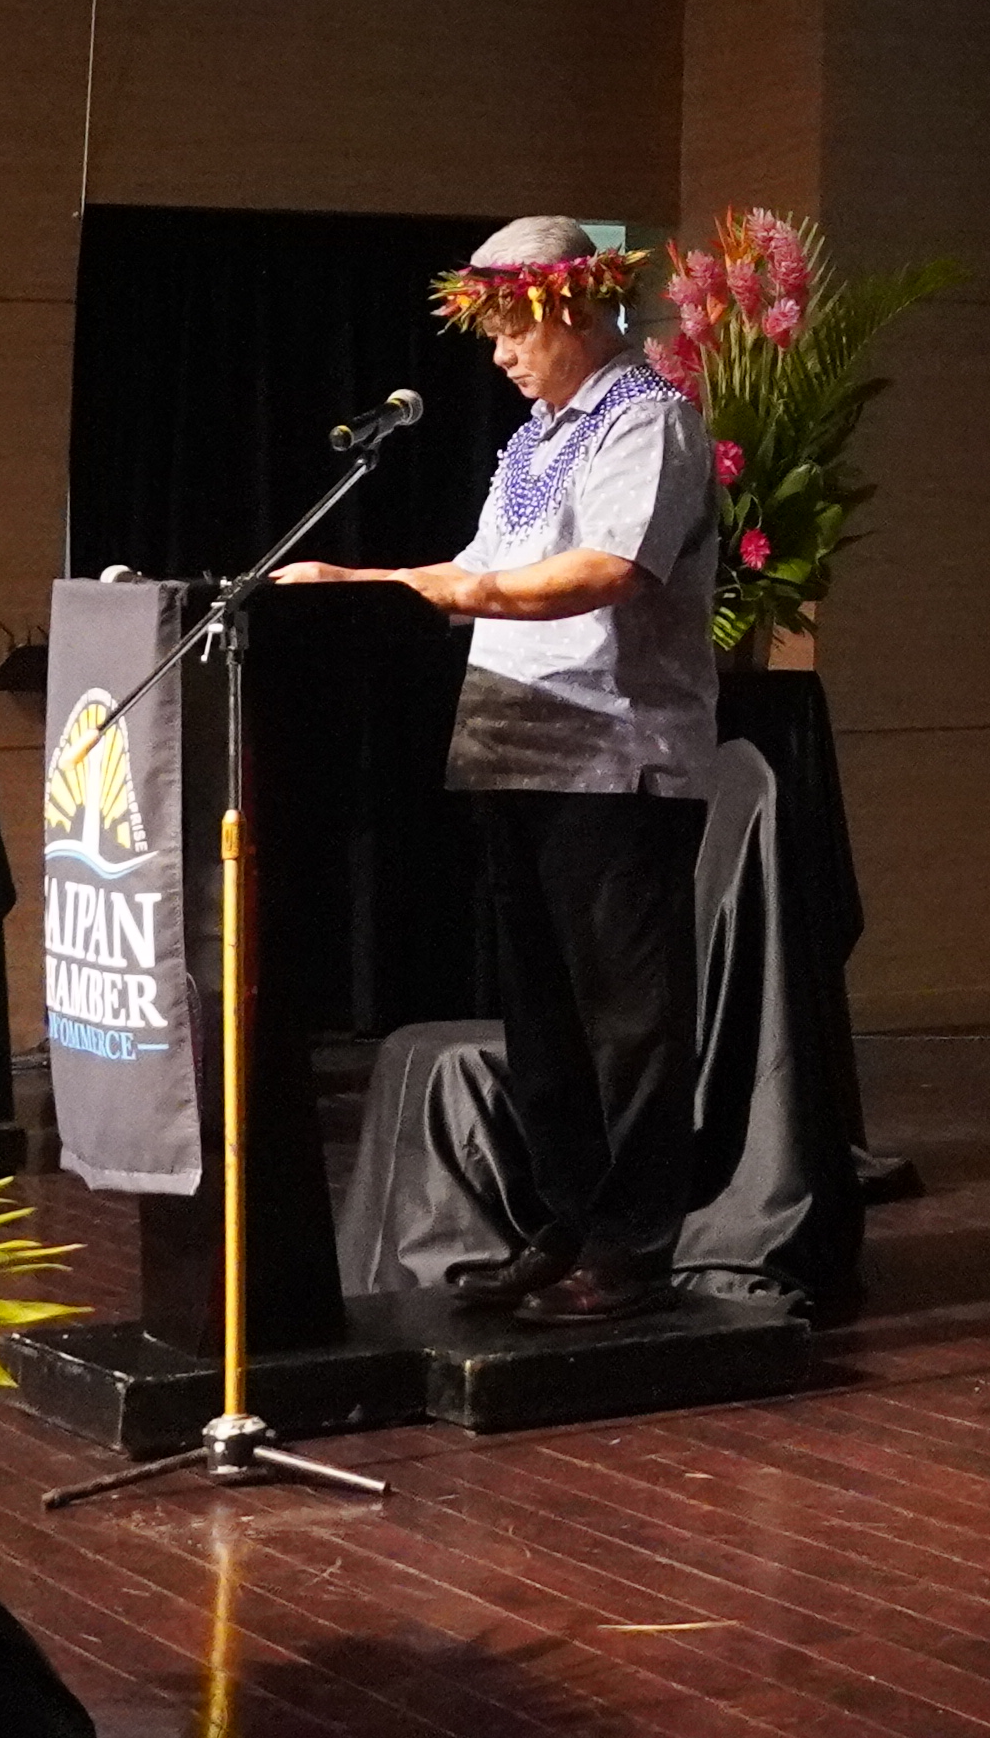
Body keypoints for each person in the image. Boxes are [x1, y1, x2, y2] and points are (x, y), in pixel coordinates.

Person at [282, 212, 718, 1325]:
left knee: (627, 1018)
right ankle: (564, 1222)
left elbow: (606, 569)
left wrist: (433, 585)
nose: (498, 353)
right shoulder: (530, 442)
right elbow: (481, 564)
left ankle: (632, 1248)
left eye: (505, 328)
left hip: (614, 762)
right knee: (543, 1018)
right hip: (516, 753)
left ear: (563, 305)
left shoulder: (650, 421)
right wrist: (370, 584)